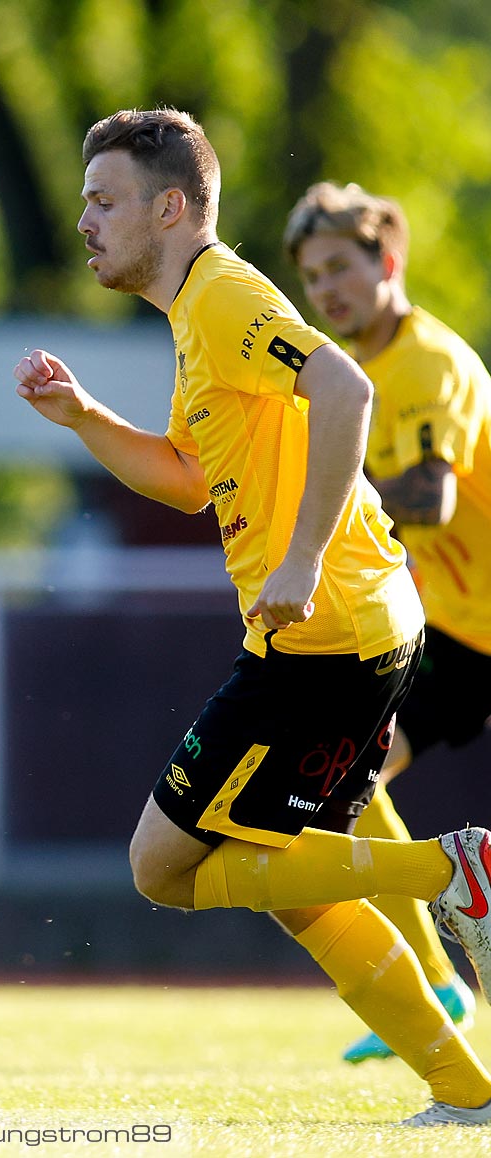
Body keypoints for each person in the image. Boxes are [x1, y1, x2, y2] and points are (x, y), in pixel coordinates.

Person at [12, 107, 491, 1128]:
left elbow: (346, 389)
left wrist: (307, 558)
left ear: (170, 206)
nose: (86, 221)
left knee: (162, 866)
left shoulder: (224, 294)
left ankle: (447, 871)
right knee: (289, 883)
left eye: (105, 201)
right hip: (348, 625)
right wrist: (87, 417)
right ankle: (466, 1091)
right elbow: (189, 479)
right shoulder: (195, 315)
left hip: (327, 629)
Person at [284, 181, 491, 1064]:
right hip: (458, 630)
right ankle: (439, 978)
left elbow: (434, 500)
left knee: (345, 775)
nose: (325, 290)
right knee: (345, 774)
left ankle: (440, 969)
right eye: (311, 276)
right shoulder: (351, 371)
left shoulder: (429, 362)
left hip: (475, 628)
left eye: (340, 267)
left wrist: (332, 509)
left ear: (388, 262)